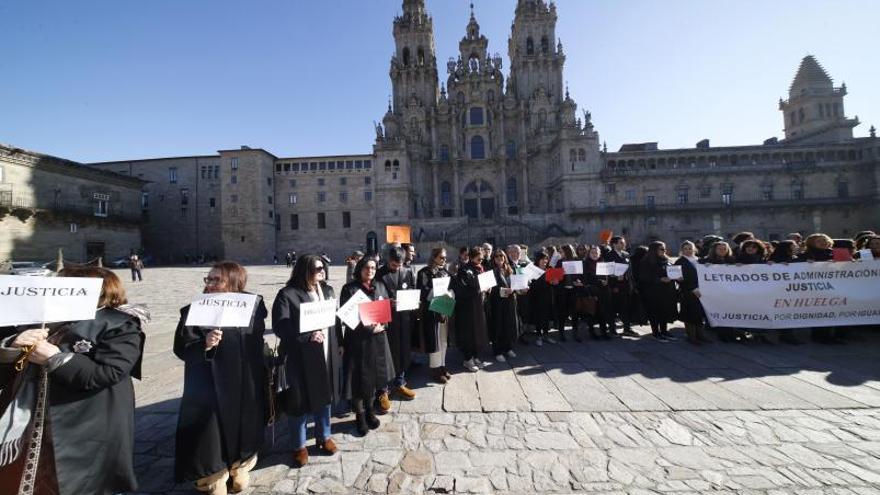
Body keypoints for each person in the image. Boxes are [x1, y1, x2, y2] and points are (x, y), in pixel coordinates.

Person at [1, 266, 147, 495]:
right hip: (30, 427)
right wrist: (12, 344)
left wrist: (55, 358)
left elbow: (108, 373)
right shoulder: (36, 319)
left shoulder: (120, 324)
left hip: (85, 429)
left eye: (64, 284)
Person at [174, 262, 267, 493]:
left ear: (234, 282)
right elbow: (181, 346)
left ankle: (240, 466)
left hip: (242, 382)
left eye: (217, 279)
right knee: (210, 435)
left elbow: (256, 342)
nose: (211, 284)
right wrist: (203, 344)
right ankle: (214, 476)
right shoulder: (194, 309)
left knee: (243, 426)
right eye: (209, 279)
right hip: (208, 386)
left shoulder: (251, 307)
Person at [271, 254, 342, 468]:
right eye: (318, 268)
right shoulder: (287, 294)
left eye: (324, 268)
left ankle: (324, 436)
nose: (322, 271)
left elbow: (334, 317)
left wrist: (340, 341)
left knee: (324, 396)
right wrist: (306, 336)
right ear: (304, 270)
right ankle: (299, 445)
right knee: (298, 401)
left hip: (325, 351)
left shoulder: (327, 290)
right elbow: (280, 326)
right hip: (299, 355)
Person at [339, 258, 394, 435]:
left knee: (372, 378)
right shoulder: (349, 289)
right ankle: (360, 415)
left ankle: (370, 411)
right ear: (360, 269)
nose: (370, 270)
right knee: (358, 379)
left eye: (373, 267)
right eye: (366, 267)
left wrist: (383, 324)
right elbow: (348, 317)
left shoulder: (380, 285)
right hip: (358, 340)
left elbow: (385, 310)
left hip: (377, 340)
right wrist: (370, 328)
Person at [375, 247, 417, 407]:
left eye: (399, 265)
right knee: (386, 352)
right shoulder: (379, 273)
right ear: (388, 260)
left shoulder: (407, 270)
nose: (396, 268)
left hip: (404, 318)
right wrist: (387, 302)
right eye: (393, 265)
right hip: (386, 319)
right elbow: (375, 295)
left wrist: (413, 300)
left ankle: (400, 382)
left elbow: (412, 289)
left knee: (403, 350)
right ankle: (383, 390)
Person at [416, 248, 452, 384]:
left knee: (443, 339)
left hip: (444, 308)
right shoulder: (424, 272)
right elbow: (422, 291)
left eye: (445, 257)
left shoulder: (445, 271)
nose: (444, 260)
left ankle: (442, 365)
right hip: (432, 310)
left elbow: (452, 287)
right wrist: (437, 291)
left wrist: (449, 293)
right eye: (441, 257)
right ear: (434, 257)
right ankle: (435, 369)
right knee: (434, 340)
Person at [452, 247, 491, 371]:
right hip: (467, 307)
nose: (481, 259)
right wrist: (480, 288)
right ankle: (467, 359)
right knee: (468, 332)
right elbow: (465, 288)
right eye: (479, 257)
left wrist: (487, 288)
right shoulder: (464, 269)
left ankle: (475, 356)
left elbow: (484, 283)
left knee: (478, 331)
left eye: (482, 257)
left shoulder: (480, 268)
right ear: (473, 256)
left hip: (478, 305)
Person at [638, 241, 678, 340]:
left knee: (664, 312)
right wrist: (659, 279)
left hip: (665, 291)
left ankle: (664, 331)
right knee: (654, 313)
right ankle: (656, 333)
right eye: (662, 249)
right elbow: (643, 277)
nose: (664, 251)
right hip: (652, 292)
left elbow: (673, 272)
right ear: (654, 250)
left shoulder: (666, 260)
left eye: (665, 249)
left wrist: (676, 276)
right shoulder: (646, 262)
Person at [488, 250, 519, 362]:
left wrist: (514, 289)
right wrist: (504, 290)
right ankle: (497, 351)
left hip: (509, 301)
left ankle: (508, 347)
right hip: (497, 303)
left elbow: (515, 283)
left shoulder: (510, 269)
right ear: (493, 259)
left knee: (508, 325)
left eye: (501, 255)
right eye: (496, 256)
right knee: (498, 326)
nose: (499, 258)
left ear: (505, 257)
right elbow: (490, 289)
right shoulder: (491, 271)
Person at [674, 241, 708, 345]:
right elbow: (678, 279)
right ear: (682, 250)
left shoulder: (700, 260)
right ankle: (691, 337)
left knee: (700, 314)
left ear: (694, 249)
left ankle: (701, 335)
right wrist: (693, 288)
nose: (688, 250)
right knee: (690, 315)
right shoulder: (680, 261)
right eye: (686, 249)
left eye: (690, 248)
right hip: (688, 292)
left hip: (701, 290)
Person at [604, 237, 638, 337]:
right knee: (614, 309)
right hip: (615, 287)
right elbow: (607, 272)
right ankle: (612, 329)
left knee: (626, 308)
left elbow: (630, 271)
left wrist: (632, 284)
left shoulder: (626, 254)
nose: (624, 244)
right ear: (614, 244)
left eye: (624, 242)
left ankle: (627, 328)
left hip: (627, 286)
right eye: (621, 243)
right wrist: (614, 282)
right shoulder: (609, 255)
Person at [582, 245, 612, 340]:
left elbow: (607, 275)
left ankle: (604, 332)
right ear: (589, 253)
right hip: (592, 292)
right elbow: (587, 278)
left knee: (603, 312)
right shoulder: (585, 263)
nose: (595, 254)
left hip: (603, 291)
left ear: (599, 254)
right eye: (592, 252)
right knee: (592, 312)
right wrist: (599, 281)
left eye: (596, 253)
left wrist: (608, 280)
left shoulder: (602, 263)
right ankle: (592, 332)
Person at [526, 252, 556, 346]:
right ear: (538, 260)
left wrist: (554, 282)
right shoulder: (533, 270)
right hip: (537, 297)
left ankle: (546, 335)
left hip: (548, 296)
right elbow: (531, 284)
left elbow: (554, 284)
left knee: (547, 316)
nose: (545, 261)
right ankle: (539, 336)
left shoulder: (549, 269)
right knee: (539, 317)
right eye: (543, 259)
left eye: (546, 259)